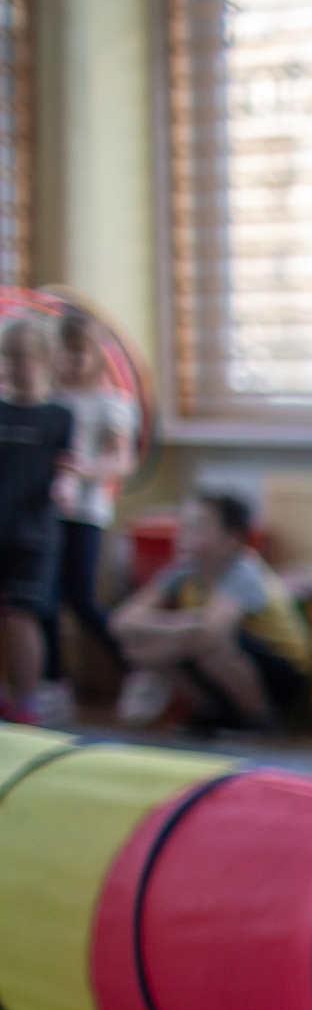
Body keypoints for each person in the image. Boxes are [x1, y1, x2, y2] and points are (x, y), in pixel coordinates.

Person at [108, 490, 312, 733]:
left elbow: (212, 632)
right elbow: (121, 621)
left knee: (211, 647)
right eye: (183, 526)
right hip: (230, 657)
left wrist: (155, 649)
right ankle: (217, 712)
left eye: (197, 527)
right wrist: (182, 624)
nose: (183, 536)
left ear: (232, 539)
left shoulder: (243, 570)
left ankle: (261, 720)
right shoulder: (184, 571)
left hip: (284, 674)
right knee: (149, 646)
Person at [40, 309, 138, 721]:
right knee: (43, 599)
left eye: (79, 352)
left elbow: (122, 461)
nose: (70, 361)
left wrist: (86, 471)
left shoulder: (109, 403)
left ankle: (134, 667)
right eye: (63, 352)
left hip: (86, 512)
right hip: (45, 511)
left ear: (95, 355)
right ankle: (54, 683)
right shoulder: (47, 399)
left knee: (81, 597)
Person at [0, 318, 71, 723]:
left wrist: (67, 485)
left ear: (45, 360)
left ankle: (29, 700)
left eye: (23, 358)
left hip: (34, 534)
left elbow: (71, 466)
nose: (14, 366)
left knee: (24, 616)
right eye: (8, 358)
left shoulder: (59, 416)